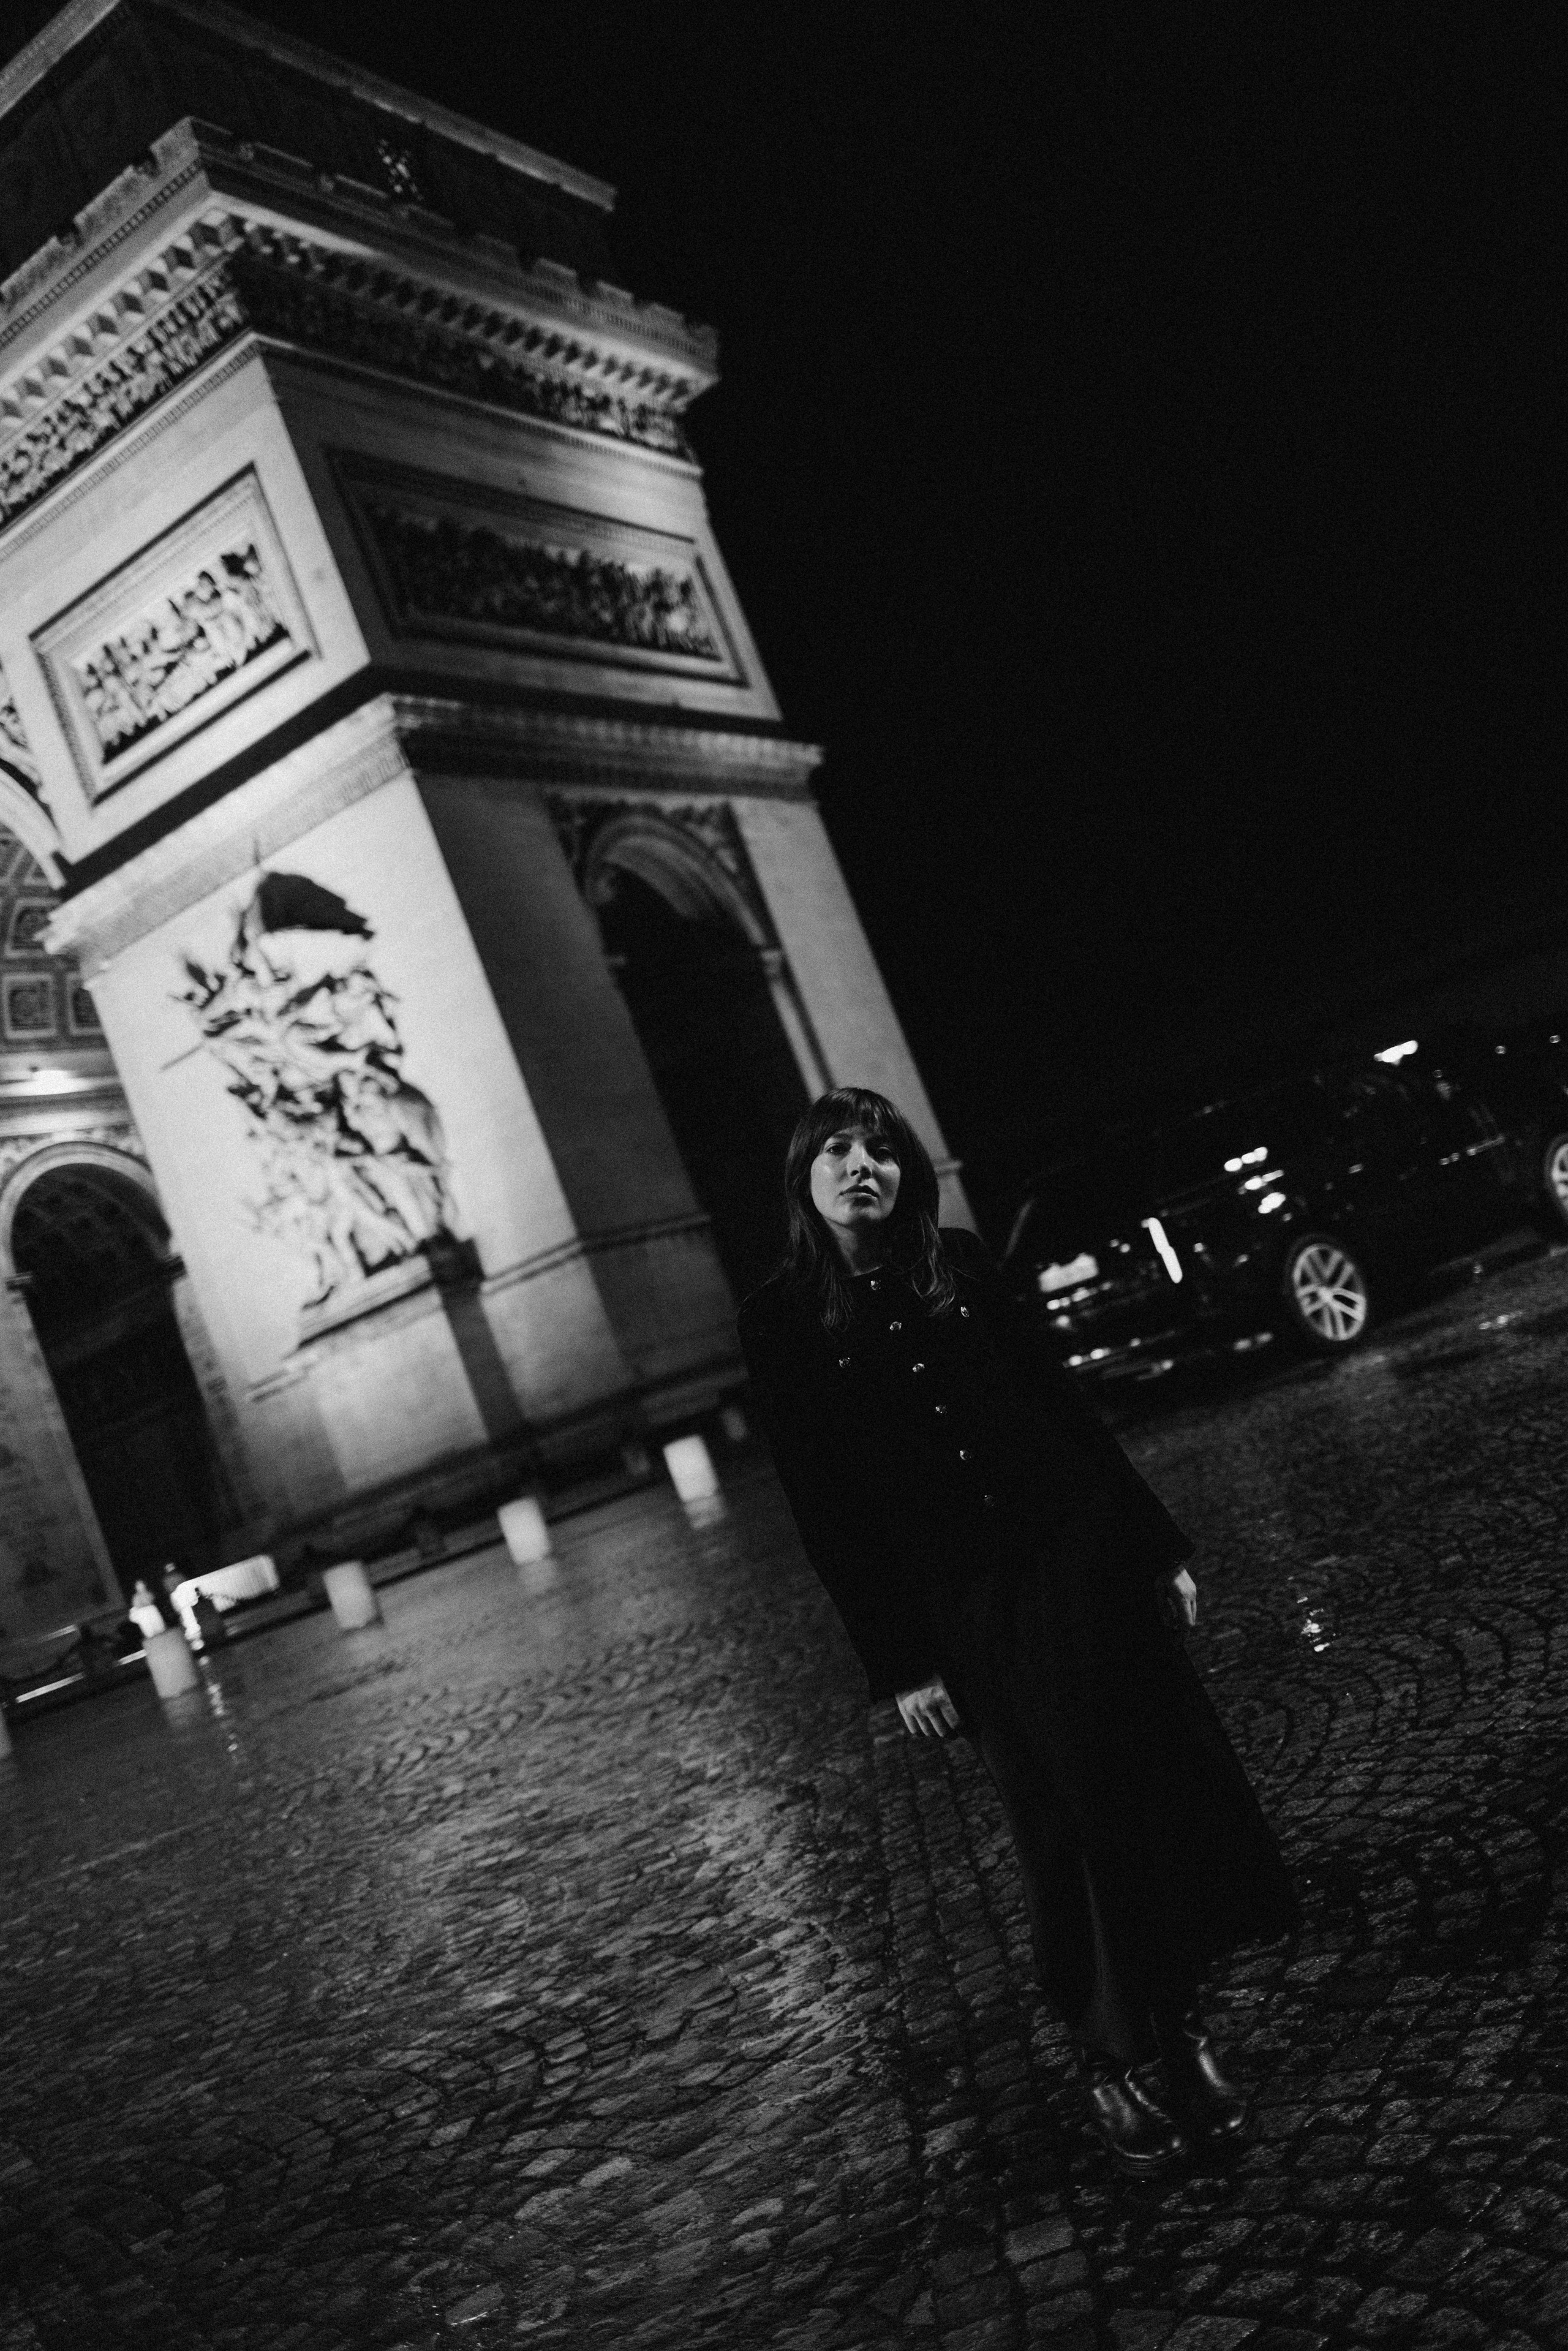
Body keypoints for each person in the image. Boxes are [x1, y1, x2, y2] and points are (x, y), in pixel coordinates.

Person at [737, 1087, 1298, 2176]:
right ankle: (1107, 2052)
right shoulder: (781, 1319)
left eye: (885, 1149)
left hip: (1077, 1559)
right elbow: (825, 1506)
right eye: (841, 1151)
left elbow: (1061, 1406)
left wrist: (1155, 1543)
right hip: (967, 1606)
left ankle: (1176, 2026)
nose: (867, 1166)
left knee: (1138, 1787)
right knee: (1058, 1818)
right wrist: (897, 1665)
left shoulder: (963, 1264)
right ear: (806, 1174)